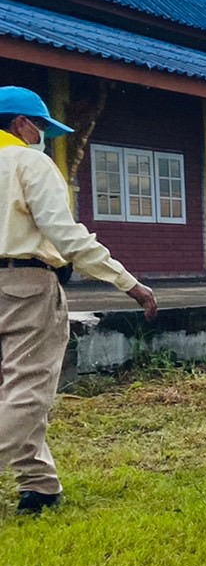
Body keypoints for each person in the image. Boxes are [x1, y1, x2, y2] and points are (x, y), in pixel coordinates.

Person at [0, 86, 157, 515]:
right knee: (27, 390)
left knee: (10, 389)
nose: (43, 136)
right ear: (21, 125)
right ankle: (35, 481)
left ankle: (39, 484)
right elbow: (65, 234)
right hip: (25, 282)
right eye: (41, 127)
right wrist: (127, 282)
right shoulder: (30, 162)